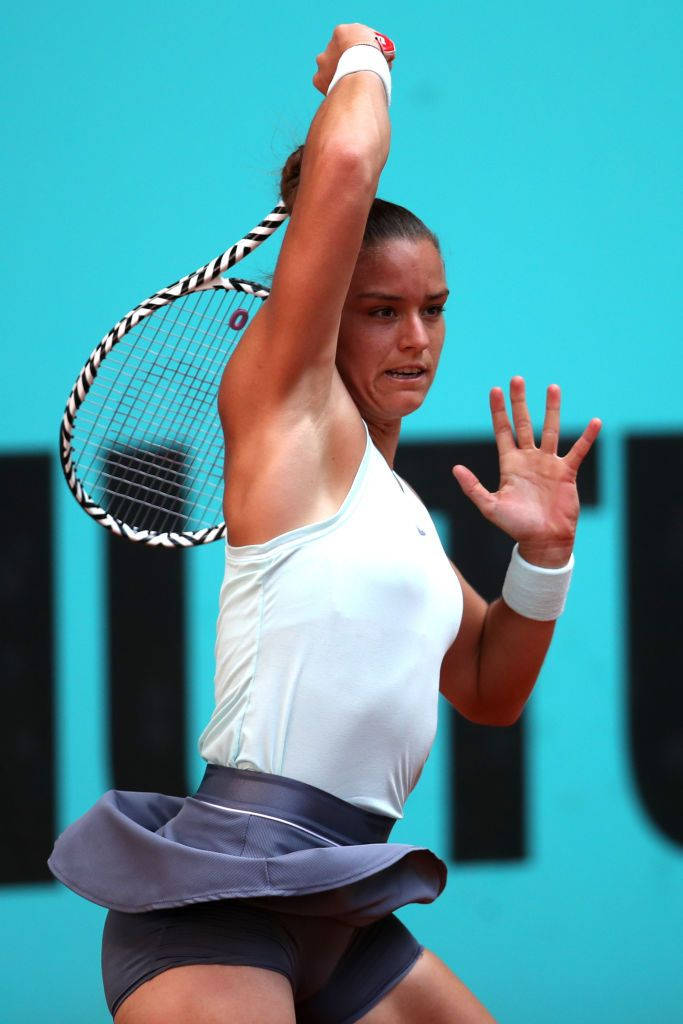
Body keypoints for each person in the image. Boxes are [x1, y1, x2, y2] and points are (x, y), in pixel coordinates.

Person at [49, 23, 601, 1024]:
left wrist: (543, 557)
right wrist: (362, 54)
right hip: (213, 909)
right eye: (380, 309)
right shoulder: (285, 408)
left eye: (433, 308)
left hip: (339, 912)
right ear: (315, 312)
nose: (416, 338)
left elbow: (487, 686)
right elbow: (347, 156)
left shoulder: (399, 519)